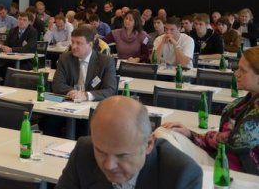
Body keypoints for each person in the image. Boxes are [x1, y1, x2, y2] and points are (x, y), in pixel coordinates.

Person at [57, 96, 202, 189]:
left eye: (122, 155)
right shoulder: (83, 152)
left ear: (149, 144)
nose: (109, 165)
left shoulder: (182, 174)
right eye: (101, 152)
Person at [162, 47, 259, 175]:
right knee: (166, 133)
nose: (236, 73)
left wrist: (194, 135)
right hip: (221, 161)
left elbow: (232, 141)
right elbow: (223, 139)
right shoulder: (241, 103)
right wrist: (190, 134)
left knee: (164, 140)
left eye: (243, 70)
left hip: (237, 173)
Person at [52, 26, 116, 101]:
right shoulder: (65, 58)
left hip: (94, 104)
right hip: (70, 102)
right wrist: (74, 93)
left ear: (90, 45)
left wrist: (86, 95)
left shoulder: (106, 62)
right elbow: (57, 85)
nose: (73, 46)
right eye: (72, 42)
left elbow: (110, 90)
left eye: (78, 43)